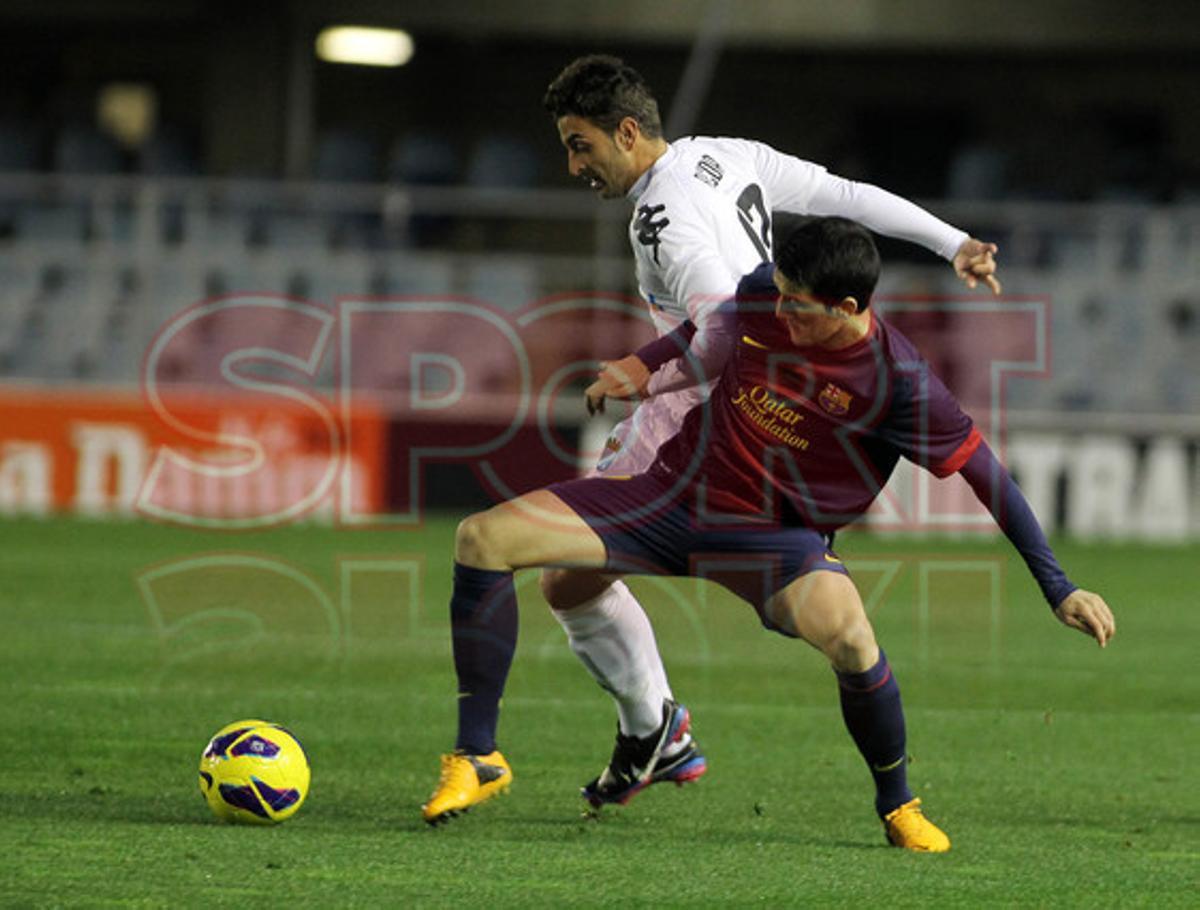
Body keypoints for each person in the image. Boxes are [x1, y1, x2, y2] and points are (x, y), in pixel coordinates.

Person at [422, 217, 1115, 852]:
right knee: (484, 539)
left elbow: (987, 475)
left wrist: (1058, 585)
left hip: (776, 541)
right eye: (777, 294)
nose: (777, 310)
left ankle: (898, 806)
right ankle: (478, 756)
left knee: (851, 638)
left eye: (796, 305)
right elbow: (712, 330)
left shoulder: (900, 382)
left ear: (847, 309)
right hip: (670, 495)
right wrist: (644, 363)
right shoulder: (767, 292)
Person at [529, 53, 1003, 805]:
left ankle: (658, 729)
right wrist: (952, 243)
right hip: (777, 397)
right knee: (579, 577)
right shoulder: (727, 156)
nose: (573, 164)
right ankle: (663, 726)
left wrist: (646, 373)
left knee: (565, 575)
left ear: (626, 132)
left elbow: (721, 327)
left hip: (707, 404)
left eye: (580, 143)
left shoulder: (662, 216)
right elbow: (845, 197)